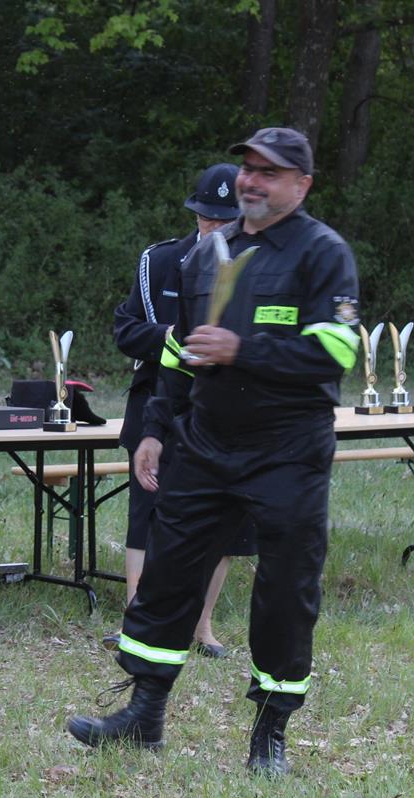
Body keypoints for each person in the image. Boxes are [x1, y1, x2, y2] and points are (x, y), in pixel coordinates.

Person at [67, 128, 360, 777]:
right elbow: (179, 349)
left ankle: (269, 735)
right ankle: (143, 716)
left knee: (285, 590)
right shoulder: (208, 254)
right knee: (167, 576)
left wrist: (243, 350)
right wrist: (155, 428)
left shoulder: (322, 253)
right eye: (249, 167)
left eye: (270, 172)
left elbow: (336, 352)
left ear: (302, 185)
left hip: (287, 450)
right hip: (204, 444)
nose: (252, 180)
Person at [110, 163, 255, 658]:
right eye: (205, 216)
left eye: (224, 219)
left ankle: (201, 625)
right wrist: (171, 337)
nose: (212, 227)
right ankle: (137, 618)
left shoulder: (259, 266)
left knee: (224, 522)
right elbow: (126, 329)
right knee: (147, 513)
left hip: (226, 408)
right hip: (158, 400)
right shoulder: (160, 261)